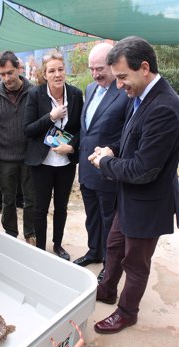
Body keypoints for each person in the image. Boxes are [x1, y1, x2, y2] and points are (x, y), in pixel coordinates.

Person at [88, 36, 179, 334]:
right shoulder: (139, 95)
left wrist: (104, 163)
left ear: (144, 68)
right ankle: (107, 289)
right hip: (128, 197)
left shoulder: (164, 108)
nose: (119, 85)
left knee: (136, 263)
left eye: (123, 77)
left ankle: (127, 312)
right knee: (113, 247)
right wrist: (112, 150)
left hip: (148, 202)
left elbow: (143, 169)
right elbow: (130, 139)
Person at [73, 43, 128, 283]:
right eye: (91, 69)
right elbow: (87, 128)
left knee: (109, 220)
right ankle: (94, 251)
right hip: (86, 170)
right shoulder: (90, 88)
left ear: (113, 65)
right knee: (91, 216)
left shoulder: (124, 93)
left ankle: (109, 262)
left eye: (100, 69)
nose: (95, 74)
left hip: (106, 170)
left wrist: (109, 154)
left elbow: (127, 134)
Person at [23, 50, 83, 259]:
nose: (57, 74)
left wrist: (72, 146)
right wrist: (51, 116)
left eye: (60, 69)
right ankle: (41, 248)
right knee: (40, 208)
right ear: (45, 74)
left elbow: (79, 129)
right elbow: (28, 129)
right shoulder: (35, 94)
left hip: (65, 161)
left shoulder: (75, 94)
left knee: (61, 206)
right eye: (52, 71)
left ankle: (58, 244)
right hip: (42, 162)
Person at [0, 51, 36, 244]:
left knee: (31, 199)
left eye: (10, 72)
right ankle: (11, 235)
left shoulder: (34, 92)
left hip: (30, 157)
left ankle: (30, 233)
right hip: (4, 159)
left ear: (19, 69)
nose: (7, 78)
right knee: (8, 200)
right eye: (2, 74)